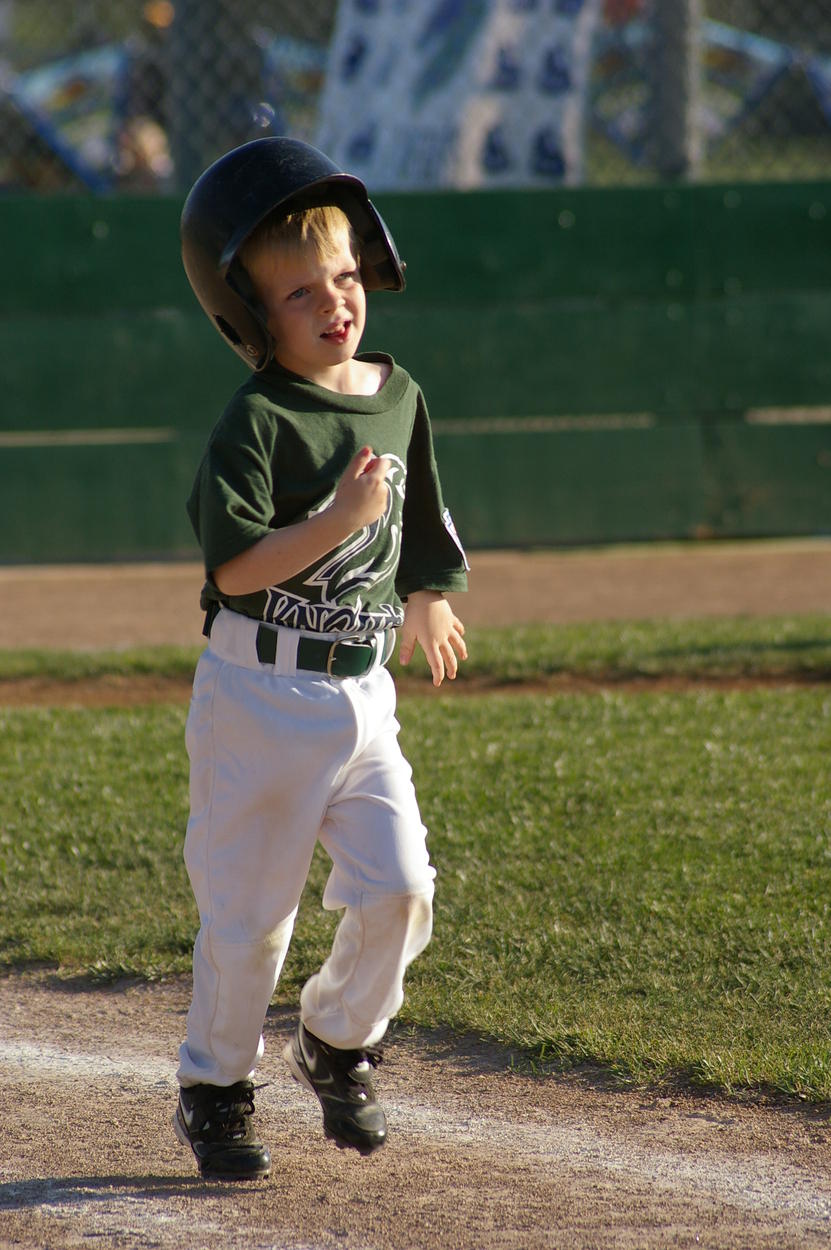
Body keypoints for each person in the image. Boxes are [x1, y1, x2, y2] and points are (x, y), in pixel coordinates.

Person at [174, 137, 469, 1180]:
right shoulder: (256, 421)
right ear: (251, 319)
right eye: (300, 293)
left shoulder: (398, 392)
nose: (336, 302)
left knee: (400, 886)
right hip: (259, 693)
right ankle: (215, 1084)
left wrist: (426, 600)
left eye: (345, 276)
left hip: (363, 690)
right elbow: (241, 566)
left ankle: (339, 1037)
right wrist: (340, 515)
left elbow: (420, 524)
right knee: (250, 916)